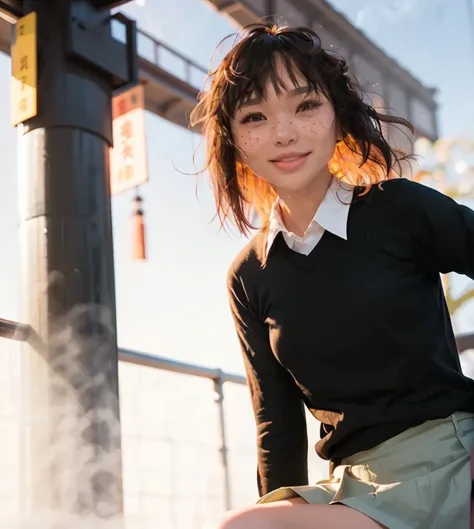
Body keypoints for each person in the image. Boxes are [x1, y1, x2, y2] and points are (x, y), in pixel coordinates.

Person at [191, 21, 474, 529]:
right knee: (243, 525)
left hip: (448, 458)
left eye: (305, 105)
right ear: (235, 140)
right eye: (255, 116)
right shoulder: (249, 276)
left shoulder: (399, 208)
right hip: (348, 483)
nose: (284, 133)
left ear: (338, 113)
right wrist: (274, 504)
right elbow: (275, 425)